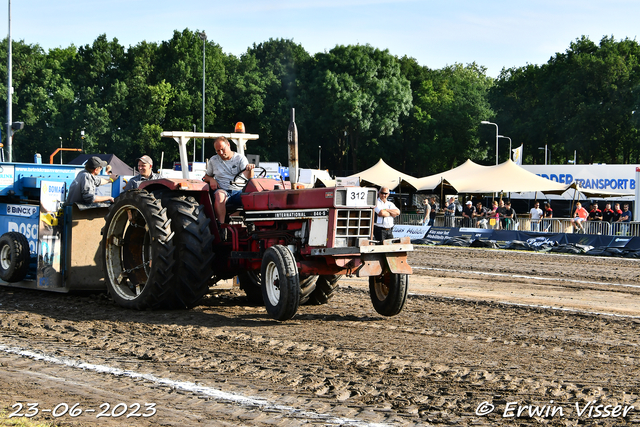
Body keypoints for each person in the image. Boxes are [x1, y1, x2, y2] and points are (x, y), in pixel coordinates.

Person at [203, 136, 255, 226]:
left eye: (223, 149)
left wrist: (250, 169)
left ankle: (252, 224)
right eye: (218, 151)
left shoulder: (240, 159)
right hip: (222, 190)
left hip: (238, 191)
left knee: (253, 197)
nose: (221, 153)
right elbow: (206, 177)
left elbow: (248, 176)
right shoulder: (213, 160)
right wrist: (211, 179)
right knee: (219, 195)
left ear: (228, 145)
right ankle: (221, 226)